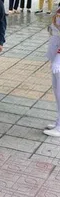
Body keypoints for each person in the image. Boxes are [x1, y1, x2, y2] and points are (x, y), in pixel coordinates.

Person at [44, 9, 60, 137]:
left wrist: (58, 60)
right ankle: (58, 122)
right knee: (56, 91)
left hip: (59, 59)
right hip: (55, 53)